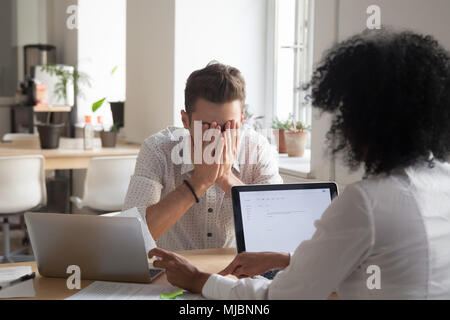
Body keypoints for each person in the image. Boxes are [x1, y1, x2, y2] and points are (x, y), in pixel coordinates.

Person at [148, 30, 450, 299]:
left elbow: (278, 297)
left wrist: (199, 280)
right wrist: (286, 259)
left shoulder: (365, 203)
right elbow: (370, 261)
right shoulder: (444, 181)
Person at [123, 62, 282, 251]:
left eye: (227, 127)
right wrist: (199, 182)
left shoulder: (258, 148)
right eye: (206, 127)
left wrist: (225, 177)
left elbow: (276, 228)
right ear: (185, 121)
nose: (217, 137)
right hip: (172, 272)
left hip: (236, 275)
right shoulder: (158, 149)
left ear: (241, 120)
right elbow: (132, 238)